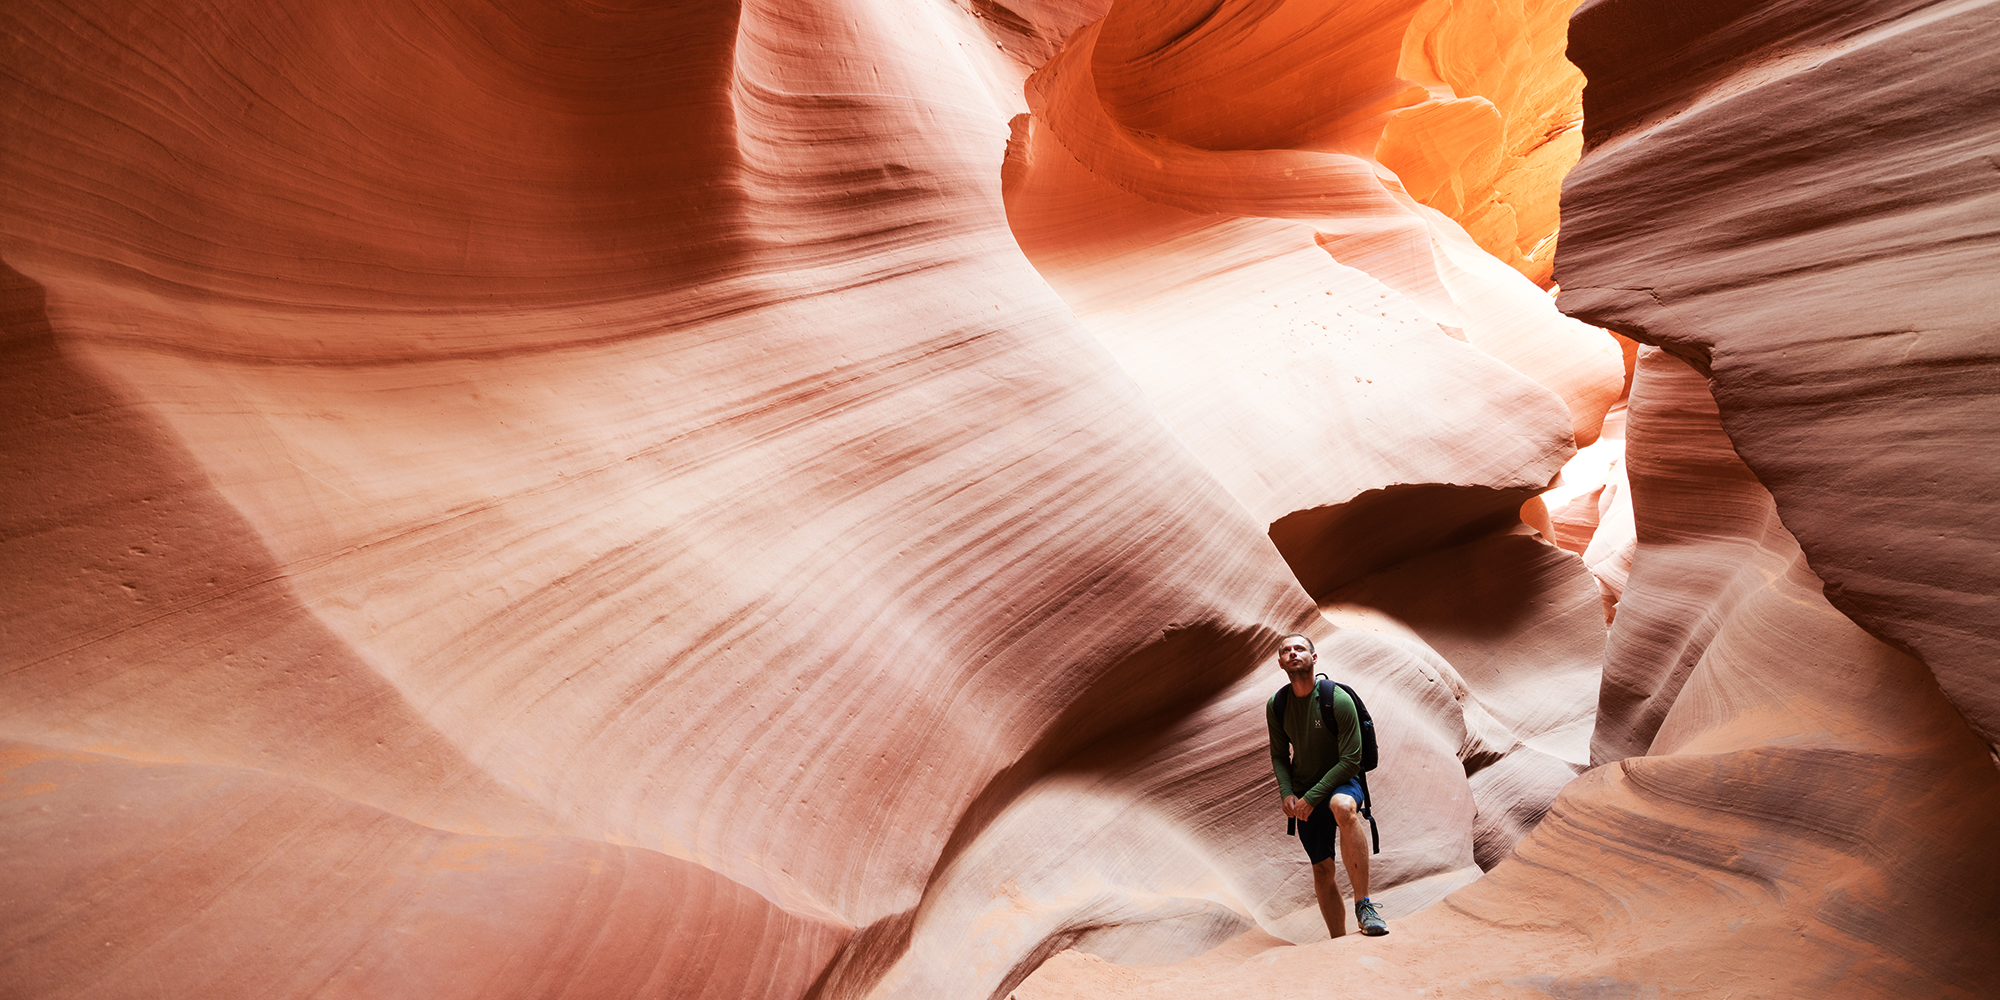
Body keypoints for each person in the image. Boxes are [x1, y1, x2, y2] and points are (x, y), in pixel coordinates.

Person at [1266, 632, 1388, 937]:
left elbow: (1351, 760)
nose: (1293, 653)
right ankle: (1338, 942)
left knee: (1342, 807)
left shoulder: (1337, 698)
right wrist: (1287, 793)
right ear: (1281, 662)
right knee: (1322, 870)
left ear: (1314, 658)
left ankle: (1365, 906)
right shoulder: (1278, 705)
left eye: (1300, 649)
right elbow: (1280, 755)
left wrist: (1311, 797)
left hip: (1343, 782)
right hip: (1305, 791)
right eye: (1286, 651)